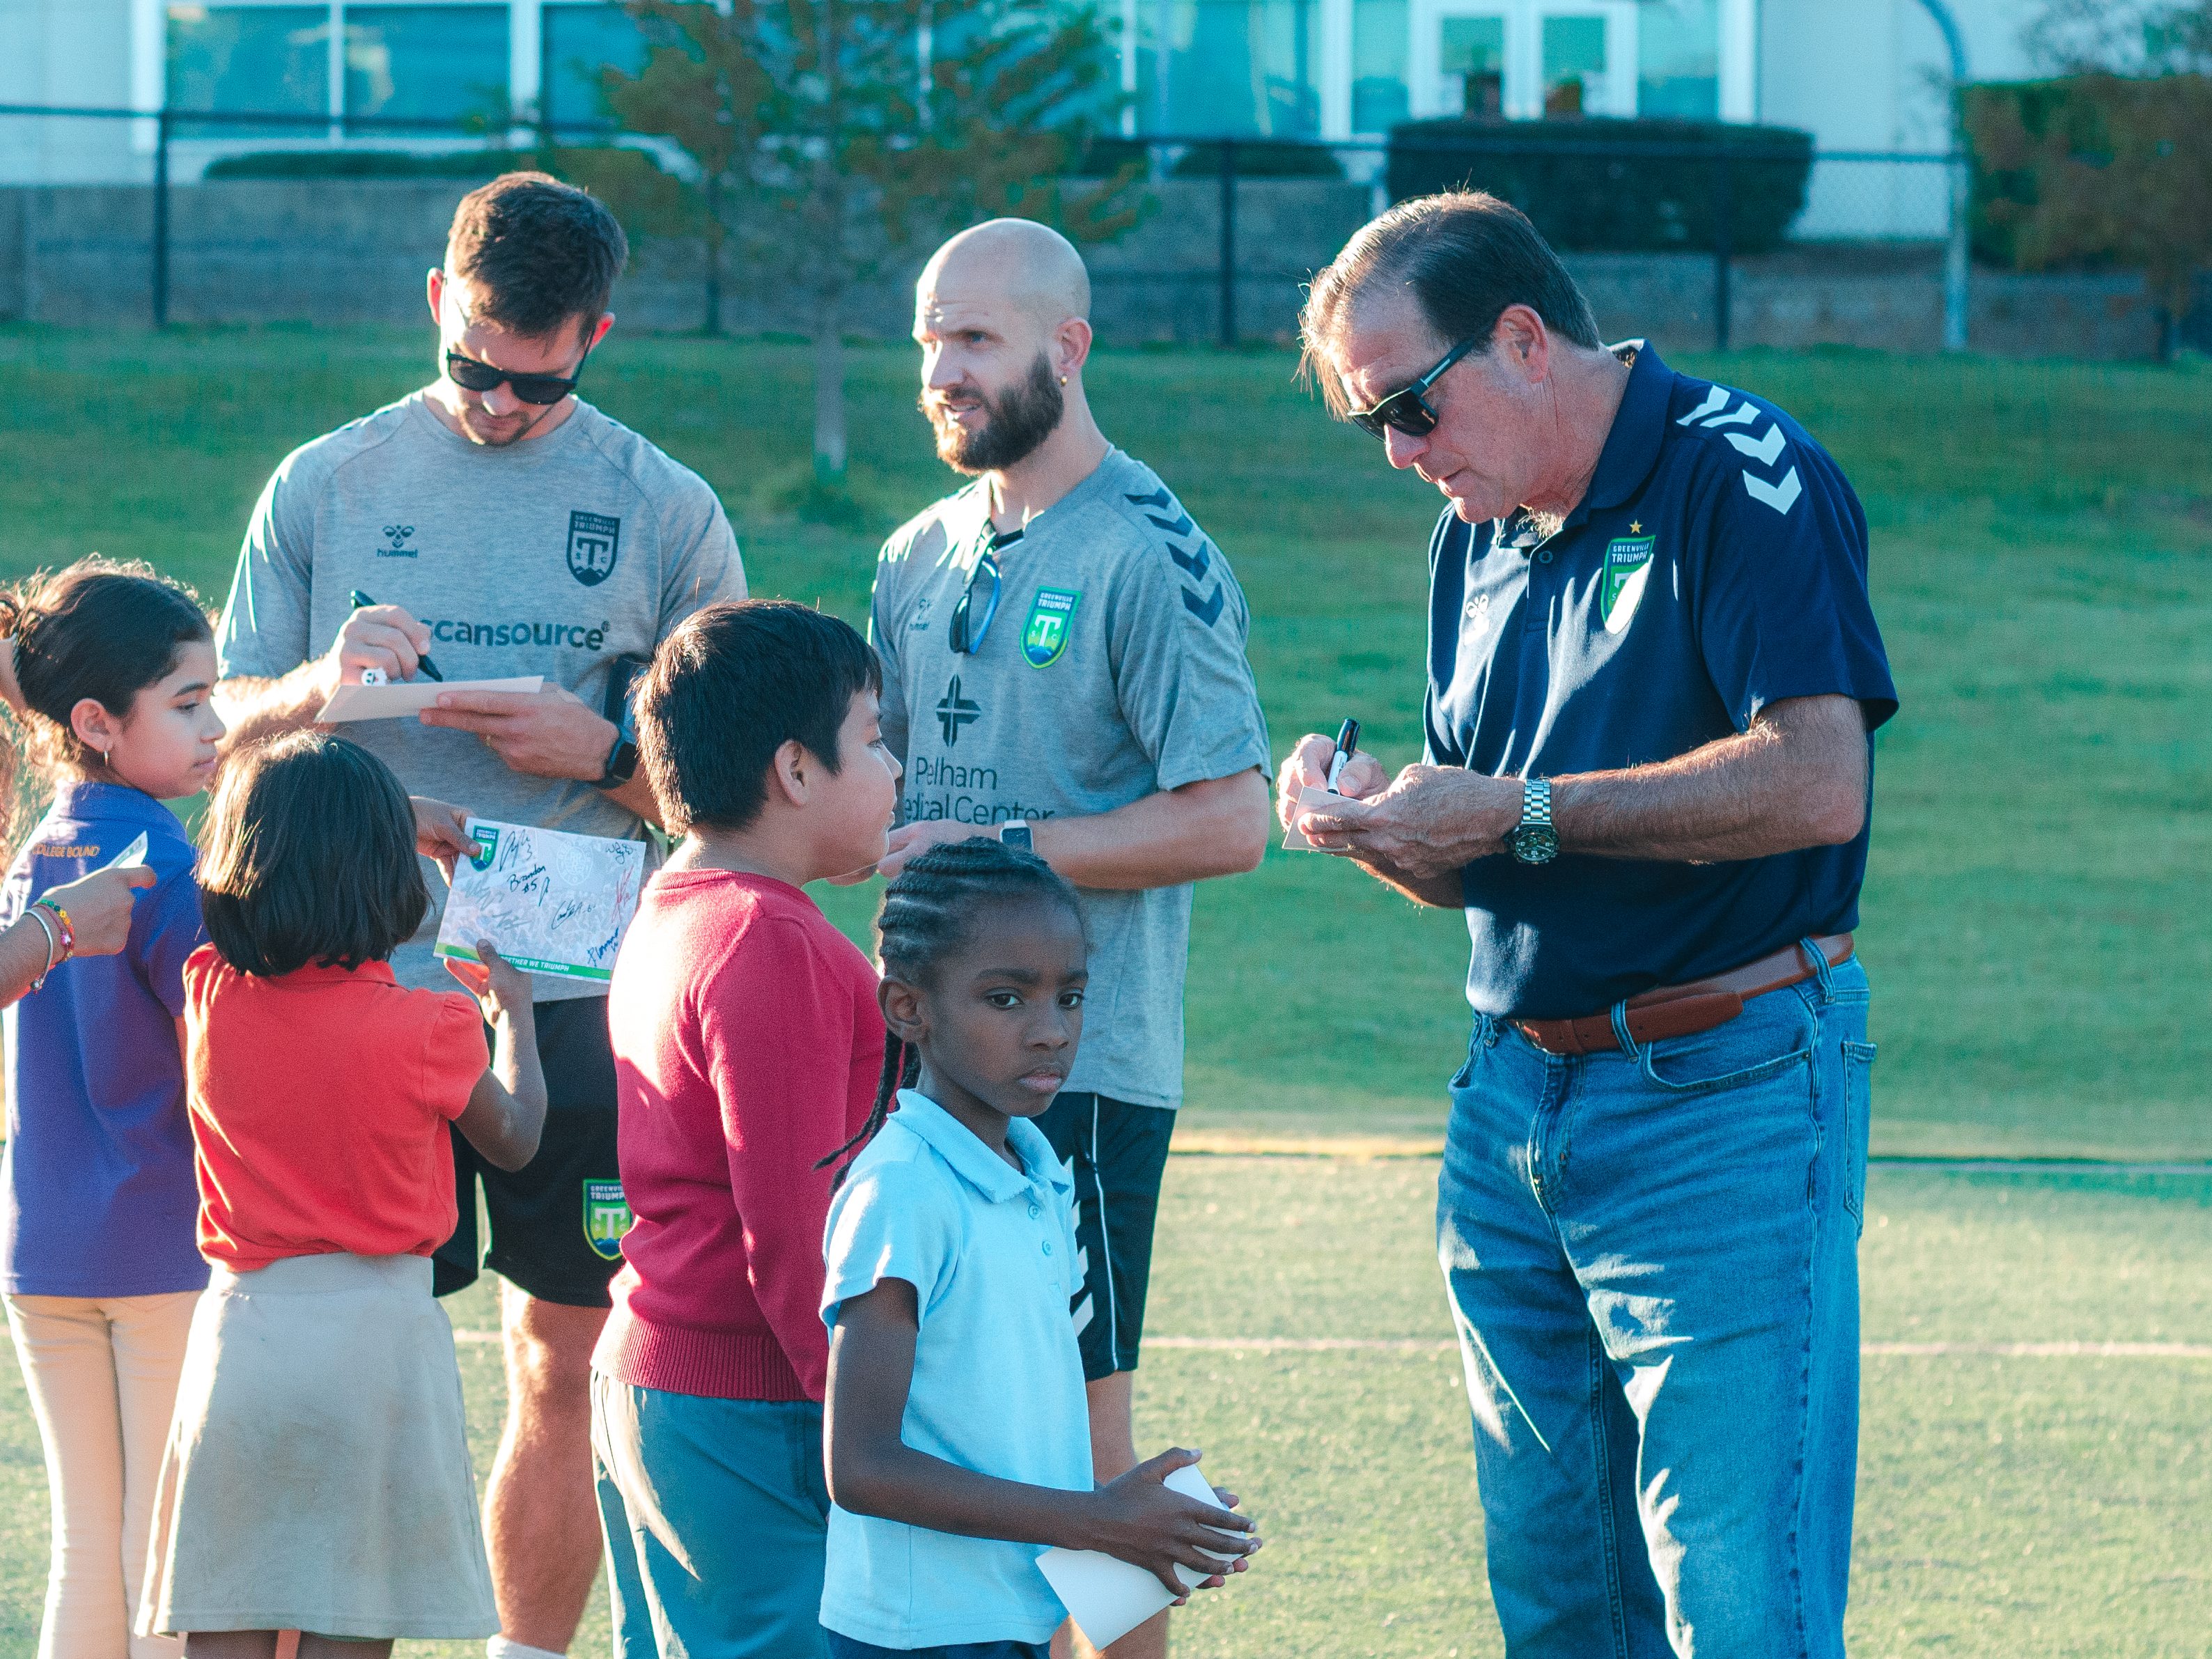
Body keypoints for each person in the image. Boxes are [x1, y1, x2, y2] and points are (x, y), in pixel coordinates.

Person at [1282, 192, 1897, 1658]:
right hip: (1510, 1103)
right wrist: (1379, 830)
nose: (1400, 453)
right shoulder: (1474, 533)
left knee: (1739, 1611)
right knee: (1560, 1605)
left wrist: (1518, 809)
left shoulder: (1736, 471)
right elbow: (1492, 855)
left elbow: (1819, 780)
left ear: (1521, 339)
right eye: (1372, 425)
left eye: (1410, 407)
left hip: (1723, 1096)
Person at [208, 171, 746, 1658]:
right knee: (348, 1364)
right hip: (350, 995)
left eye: (537, 382)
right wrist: (318, 690)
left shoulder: (664, 508)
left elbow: (745, 791)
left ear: (596, 337)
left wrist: (605, 753)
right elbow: (207, 733)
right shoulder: (326, 484)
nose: (500, 405)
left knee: (564, 1362)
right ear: (440, 303)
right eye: (473, 367)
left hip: (578, 1000)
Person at [868, 219, 1271, 1657]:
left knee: (1090, 1465)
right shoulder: (913, 553)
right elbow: (880, 797)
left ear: (1068, 346)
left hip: (1072, 1076)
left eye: (975, 338)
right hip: (914, 1075)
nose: (943, 369)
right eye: (930, 339)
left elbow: (1233, 819)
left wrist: (1001, 845)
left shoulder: (1148, 550)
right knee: (946, 1439)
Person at [139, 731, 547, 1658]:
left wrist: (369, 816)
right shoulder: (434, 1025)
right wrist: (513, 1017)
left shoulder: (209, 992)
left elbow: (261, 853)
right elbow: (518, 1139)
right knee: (353, 1619)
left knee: (227, 1609)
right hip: (377, 1344)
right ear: (386, 876)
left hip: (244, 1336)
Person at [820, 838, 1260, 1659]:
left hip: (1012, 1624)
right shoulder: (902, 1191)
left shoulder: (1040, 1172)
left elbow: (1008, 1444)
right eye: (1006, 999)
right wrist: (1102, 1520)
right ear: (908, 1008)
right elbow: (862, 1468)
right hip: (919, 1638)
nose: (1051, 1031)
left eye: (1070, 997)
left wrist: (1144, 1536)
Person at [590, 600, 901, 1658]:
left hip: (661, 1380)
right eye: (872, 738)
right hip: (746, 1404)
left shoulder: (677, 903)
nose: (894, 767)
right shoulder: (768, 937)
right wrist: (861, 1430)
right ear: (796, 769)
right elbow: (793, 1230)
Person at [0, 561, 221, 1659]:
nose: (217, 725)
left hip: (41, 1248)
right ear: (94, 721)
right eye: (189, 702)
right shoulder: (171, 873)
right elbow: (224, 1066)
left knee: (88, 1549)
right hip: (165, 1246)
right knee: (163, 1549)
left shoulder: (29, 858)